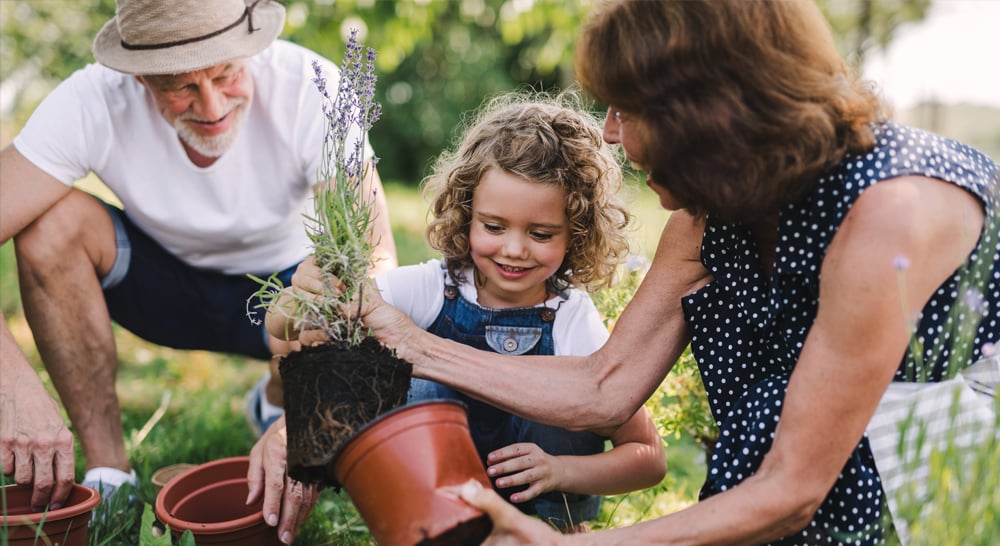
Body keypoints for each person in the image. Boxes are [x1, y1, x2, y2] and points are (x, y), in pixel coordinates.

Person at [259, 0, 999, 544]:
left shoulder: (886, 219)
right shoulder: (712, 213)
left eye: (626, 108)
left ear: (710, 115)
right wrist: (356, 375)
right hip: (798, 475)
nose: (609, 133)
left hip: (945, 481)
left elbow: (791, 489)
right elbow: (605, 384)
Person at [0, 0, 397, 523]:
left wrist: (304, 418)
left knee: (330, 292)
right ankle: (111, 474)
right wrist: (12, 384)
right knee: (49, 227)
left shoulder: (310, 87)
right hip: (160, 288)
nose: (210, 106)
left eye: (226, 73)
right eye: (180, 87)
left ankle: (276, 401)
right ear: (139, 76)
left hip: (282, 297)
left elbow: (374, 265)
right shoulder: (91, 98)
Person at [260, 93, 667, 533]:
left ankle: (560, 532)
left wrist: (562, 470)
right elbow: (284, 327)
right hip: (436, 511)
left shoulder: (572, 318)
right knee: (414, 385)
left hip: (539, 518)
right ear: (466, 215)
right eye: (494, 227)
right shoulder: (433, 288)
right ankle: (426, 527)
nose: (514, 249)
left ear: (577, 233)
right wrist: (301, 296)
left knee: (569, 398)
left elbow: (648, 458)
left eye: (541, 233)